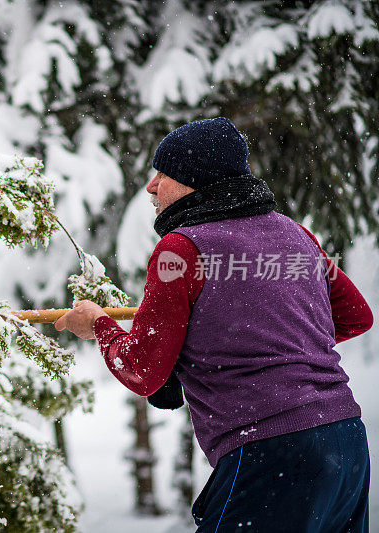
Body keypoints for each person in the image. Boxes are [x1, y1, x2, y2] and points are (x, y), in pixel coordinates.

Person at [55, 117, 373, 532]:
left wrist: (98, 323)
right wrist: (275, 336)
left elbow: (142, 369)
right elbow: (354, 315)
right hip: (345, 439)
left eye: (163, 174)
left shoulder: (181, 248)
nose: (151, 186)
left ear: (195, 181)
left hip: (268, 448)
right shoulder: (294, 235)